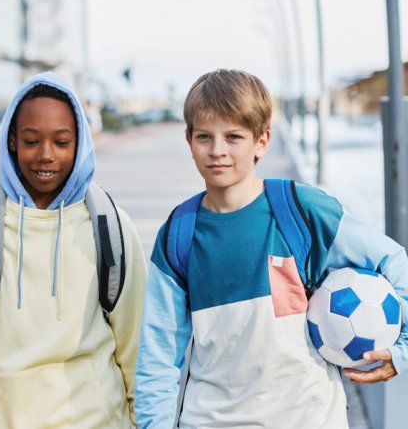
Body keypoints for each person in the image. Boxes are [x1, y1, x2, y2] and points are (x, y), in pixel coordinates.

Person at [134, 69, 408, 428]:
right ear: (189, 140)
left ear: (261, 141)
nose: (217, 150)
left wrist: (401, 349)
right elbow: (158, 355)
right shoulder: (180, 233)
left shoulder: (302, 210)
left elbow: (394, 260)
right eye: (205, 137)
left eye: (233, 137)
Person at [0, 72, 147, 428]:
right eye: (31, 141)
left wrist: (143, 421)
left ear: (81, 143)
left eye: (61, 142)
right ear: (11, 140)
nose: (46, 155)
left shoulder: (110, 225)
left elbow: (137, 343)